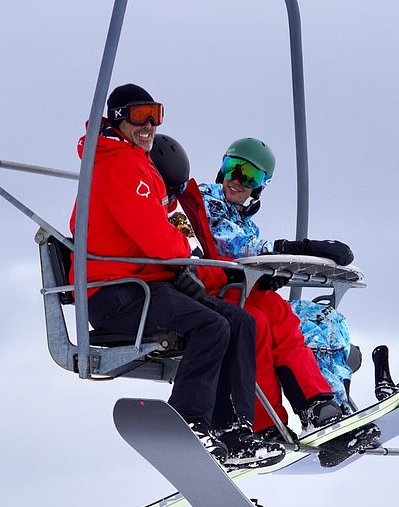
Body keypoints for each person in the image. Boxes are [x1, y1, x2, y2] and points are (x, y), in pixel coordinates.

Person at [69, 85, 283, 467]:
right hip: (115, 293)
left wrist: (180, 262)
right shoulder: (115, 165)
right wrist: (182, 257)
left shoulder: (137, 163)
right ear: (118, 119)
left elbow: (164, 230)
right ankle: (190, 423)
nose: (149, 124)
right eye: (139, 115)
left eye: (155, 113)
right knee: (211, 326)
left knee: (239, 321)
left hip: (146, 284)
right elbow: (159, 239)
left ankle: (235, 429)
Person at [179, 137, 355, 440]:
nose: (236, 180)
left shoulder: (243, 218)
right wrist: (296, 249)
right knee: (256, 323)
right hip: (206, 289)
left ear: (260, 186)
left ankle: (317, 405)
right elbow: (233, 245)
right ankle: (263, 423)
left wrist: (268, 273)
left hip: (231, 285)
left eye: (249, 176)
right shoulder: (206, 199)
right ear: (222, 168)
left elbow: (244, 249)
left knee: (280, 312)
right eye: (232, 168)